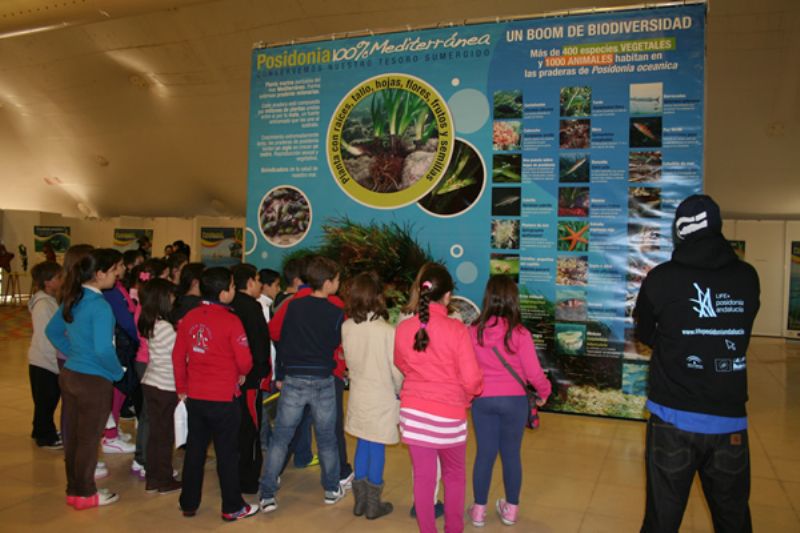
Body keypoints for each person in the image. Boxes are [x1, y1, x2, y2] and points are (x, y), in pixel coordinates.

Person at [634, 194, 760, 533]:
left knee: (662, 519)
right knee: (733, 520)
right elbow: (743, 332)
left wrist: (674, 346)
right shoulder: (747, 278)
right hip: (729, 423)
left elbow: (644, 332)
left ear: (680, 231)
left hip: (671, 420)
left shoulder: (661, 278)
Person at [394, 263, 483, 533]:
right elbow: (472, 380)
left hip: (414, 414)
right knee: (454, 478)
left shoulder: (403, 327)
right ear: (447, 296)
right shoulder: (456, 330)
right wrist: (466, 396)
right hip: (449, 416)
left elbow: (402, 364)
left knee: (423, 480)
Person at [259, 256, 347, 513]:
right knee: (327, 438)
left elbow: (282, 340)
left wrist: (281, 373)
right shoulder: (336, 311)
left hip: (293, 379)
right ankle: (331, 489)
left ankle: (267, 494)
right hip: (322, 379)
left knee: (281, 438)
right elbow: (334, 343)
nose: (339, 284)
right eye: (338, 280)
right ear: (328, 283)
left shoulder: (294, 306)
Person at [171, 267, 257, 521]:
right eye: (232, 286)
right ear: (223, 293)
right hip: (223, 398)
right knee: (227, 454)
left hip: (195, 397)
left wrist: (182, 389)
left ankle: (188, 503)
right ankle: (232, 507)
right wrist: (240, 373)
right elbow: (245, 361)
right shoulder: (231, 320)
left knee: (195, 451)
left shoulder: (189, 317)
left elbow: (178, 357)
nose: (234, 290)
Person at [467, 275, 551, 527]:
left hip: (482, 400)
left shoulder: (473, 331)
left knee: (485, 455)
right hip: (515, 401)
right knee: (511, 455)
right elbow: (534, 373)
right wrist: (544, 393)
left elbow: (467, 369)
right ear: (513, 299)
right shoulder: (521, 333)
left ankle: (479, 511)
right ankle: (511, 510)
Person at [46, 248, 125, 509]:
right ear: (100, 274)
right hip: (93, 380)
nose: (118, 275)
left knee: (75, 438)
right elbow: (104, 349)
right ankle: (85, 494)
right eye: (115, 270)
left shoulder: (74, 296)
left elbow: (53, 331)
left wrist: (74, 354)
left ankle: (75, 489)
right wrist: (116, 372)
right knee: (89, 440)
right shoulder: (100, 306)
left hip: (71, 374)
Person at [342, 272, 402, 520]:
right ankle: (373, 504)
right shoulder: (387, 331)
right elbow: (396, 370)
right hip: (382, 395)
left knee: (362, 443)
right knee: (376, 445)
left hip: (358, 395)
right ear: (377, 297)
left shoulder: (347, 327)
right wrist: (400, 390)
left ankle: (360, 502)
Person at [230, 264, 271, 494]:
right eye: (257, 279)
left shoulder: (230, 306)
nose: (260, 284)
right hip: (251, 378)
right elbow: (259, 344)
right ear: (248, 282)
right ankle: (248, 479)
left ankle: (234, 473)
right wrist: (262, 370)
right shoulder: (251, 308)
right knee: (251, 428)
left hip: (231, 378)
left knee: (235, 428)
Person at [137, 278, 181, 494]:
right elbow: (179, 356)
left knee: (156, 433)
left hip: (152, 381)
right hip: (165, 385)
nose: (174, 298)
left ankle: (154, 476)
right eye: (171, 295)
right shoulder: (164, 326)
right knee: (164, 436)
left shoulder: (151, 320)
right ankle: (163, 479)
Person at [27, 261, 64, 448]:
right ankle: (45, 437)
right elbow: (46, 336)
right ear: (48, 282)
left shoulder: (49, 300)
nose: (62, 280)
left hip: (44, 360)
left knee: (45, 400)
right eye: (58, 277)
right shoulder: (43, 305)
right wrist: (54, 360)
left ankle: (40, 429)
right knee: (46, 401)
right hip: (43, 360)